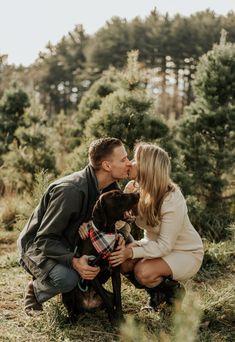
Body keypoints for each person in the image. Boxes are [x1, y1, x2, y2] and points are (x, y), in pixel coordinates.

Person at [17, 137, 132, 315]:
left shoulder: (111, 188)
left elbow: (119, 222)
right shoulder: (70, 191)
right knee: (67, 278)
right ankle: (36, 290)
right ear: (107, 166)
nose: (129, 163)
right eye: (123, 159)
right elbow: (44, 239)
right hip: (37, 246)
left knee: (129, 247)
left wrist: (122, 238)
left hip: (72, 243)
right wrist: (74, 262)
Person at [109, 143, 204, 309]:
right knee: (122, 262)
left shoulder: (172, 199)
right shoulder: (134, 188)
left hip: (184, 251)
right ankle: (156, 293)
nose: (130, 162)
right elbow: (119, 224)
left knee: (143, 272)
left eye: (135, 159)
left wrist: (131, 251)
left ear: (147, 167)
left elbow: (165, 245)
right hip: (154, 245)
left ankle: (173, 292)